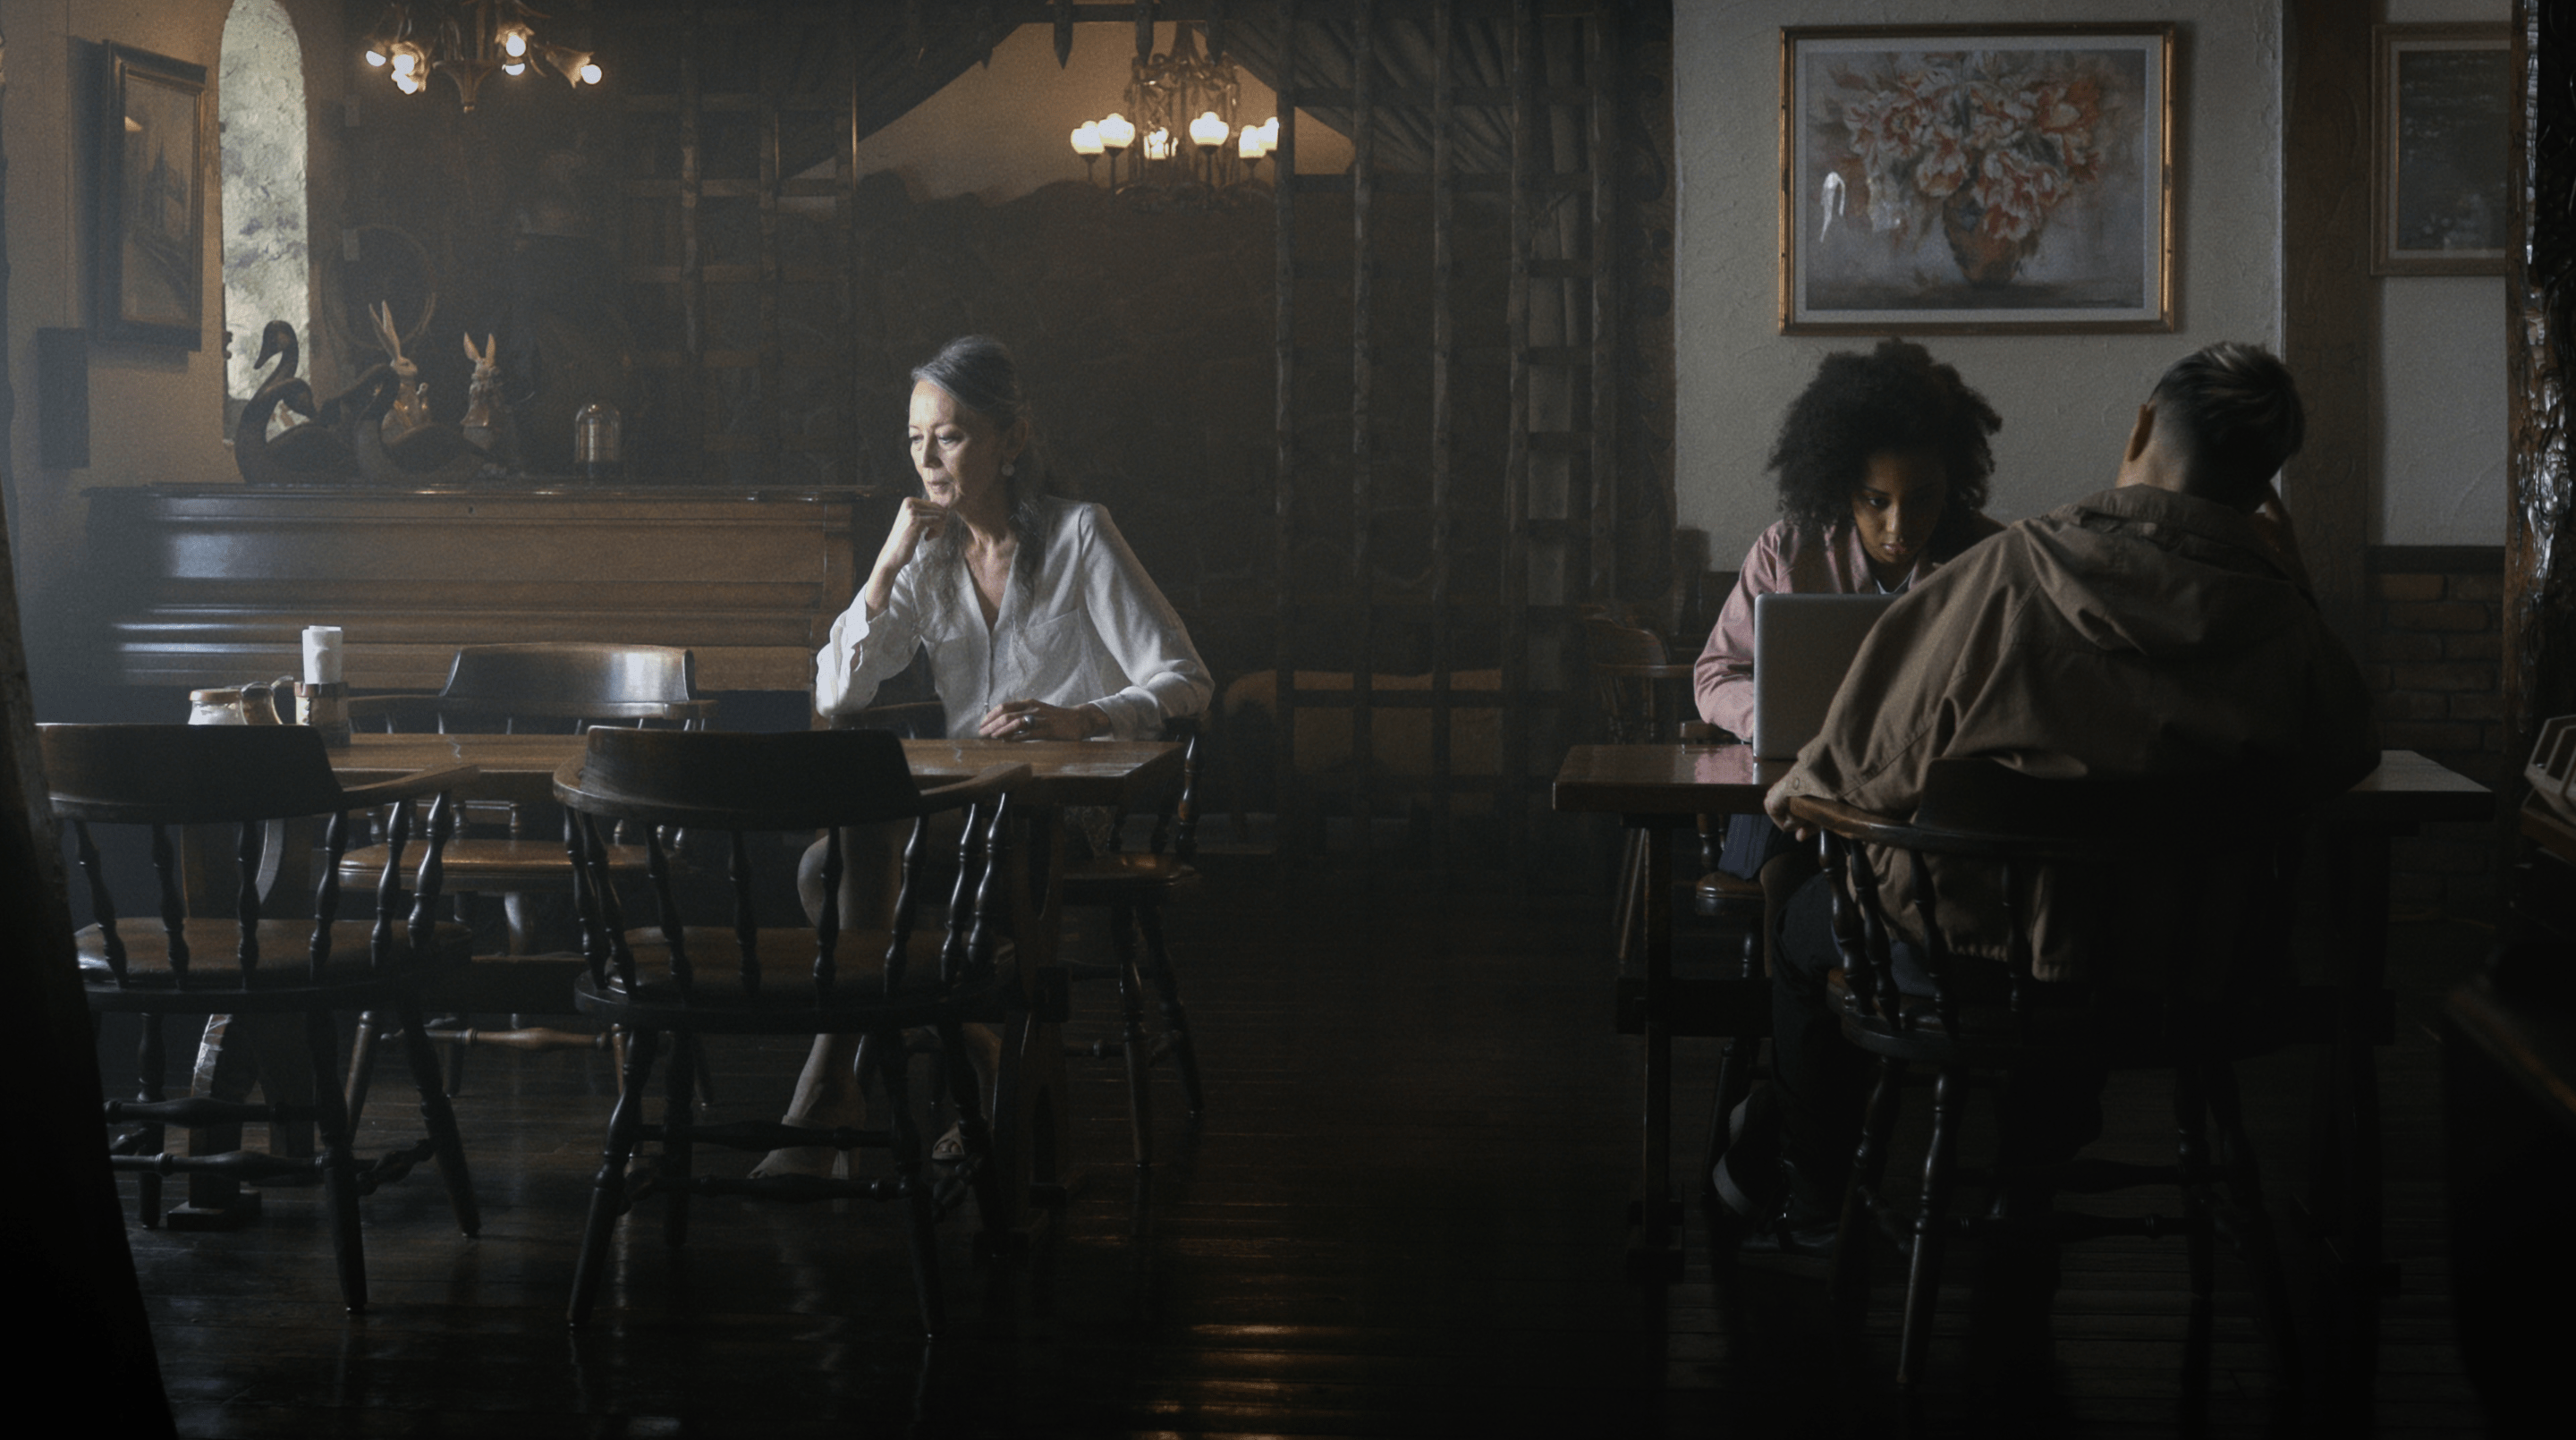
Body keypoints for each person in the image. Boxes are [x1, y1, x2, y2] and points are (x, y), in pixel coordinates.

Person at [1723, 341, 2378, 1253]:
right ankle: (2024, 1180)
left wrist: (1803, 794)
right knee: (2083, 931)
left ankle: (1813, 1202)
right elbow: (2347, 749)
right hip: (2184, 962)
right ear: (2263, 484)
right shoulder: (2281, 618)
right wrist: (2293, 579)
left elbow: (1865, 760)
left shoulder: (2014, 571)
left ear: (2141, 427)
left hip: (1978, 954)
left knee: (1806, 921)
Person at [759, 334, 1212, 1177]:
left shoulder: (1079, 535)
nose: (928, 459)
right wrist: (886, 565)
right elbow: (836, 695)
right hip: (964, 805)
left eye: (951, 435)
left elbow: (1188, 680)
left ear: (1012, 440)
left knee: (851, 852)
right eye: (915, 438)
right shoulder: (927, 556)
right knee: (828, 865)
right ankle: (980, 1049)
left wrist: (1085, 718)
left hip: (1062, 811)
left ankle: (824, 1096)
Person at [1690, 339, 2006, 1002]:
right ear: (1840, 487)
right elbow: (1715, 674)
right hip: (1794, 789)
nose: (1899, 525)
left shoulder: (1988, 557)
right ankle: (1800, 1028)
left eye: (1922, 499)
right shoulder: (1787, 550)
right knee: (1789, 866)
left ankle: (1873, 1020)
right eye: (1874, 500)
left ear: (1953, 485)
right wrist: (1769, 719)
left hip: (1917, 805)